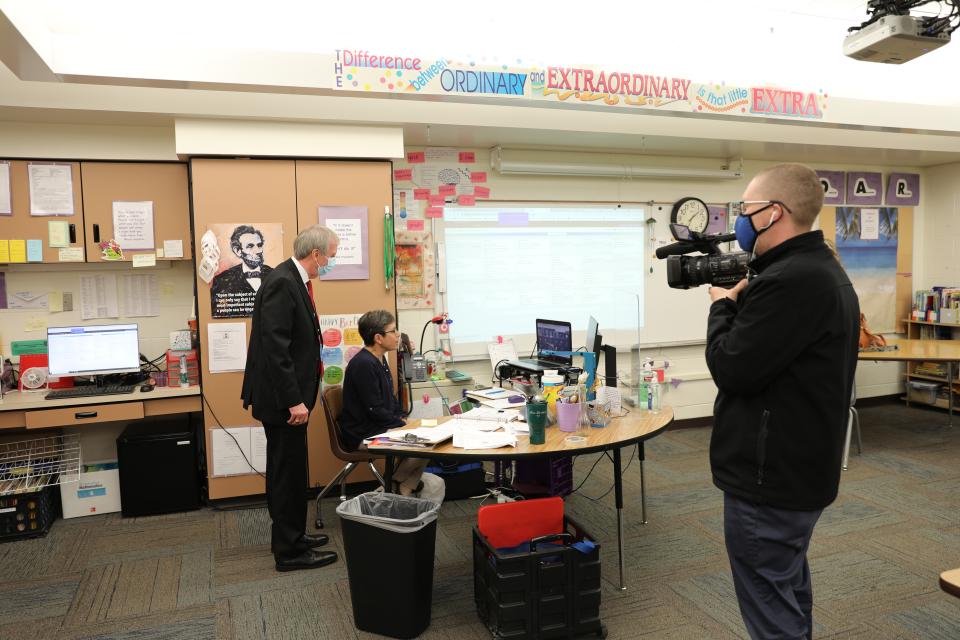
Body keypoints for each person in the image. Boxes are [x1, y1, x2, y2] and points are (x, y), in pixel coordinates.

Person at [705, 163, 860, 639]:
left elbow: (732, 367)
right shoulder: (817, 270)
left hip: (768, 481)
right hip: (798, 471)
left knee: (770, 605)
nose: (740, 221)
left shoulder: (790, 281)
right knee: (785, 588)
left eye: (746, 210)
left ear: (774, 213)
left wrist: (721, 306)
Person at [241, 224, 339, 572]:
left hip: (290, 396)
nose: (330, 263)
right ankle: (289, 551)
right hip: (284, 401)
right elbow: (275, 348)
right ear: (316, 254)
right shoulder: (283, 281)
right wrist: (293, 400)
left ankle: (293, 536)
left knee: (292, 470)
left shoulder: (292, 278)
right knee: (287, 473)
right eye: (331, 256)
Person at [340, 309, 427, 495]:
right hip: (364, 433)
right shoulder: (364, 364)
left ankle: (401, 489)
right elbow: (375, 409)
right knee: (424, 445)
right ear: (379, 338)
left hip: (378, 426)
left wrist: (403, 417)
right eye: (393, 331)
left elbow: (389, 400)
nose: (398, 336)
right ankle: (393, 484)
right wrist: (401, 423)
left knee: (427, 439)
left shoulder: (379, 359)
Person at [211, 225, 274, 317]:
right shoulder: (222, 280)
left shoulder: (275, 275)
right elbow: (218, 312)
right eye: (250, 246)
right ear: (238, 251)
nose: (257, 251)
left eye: (259, 245)